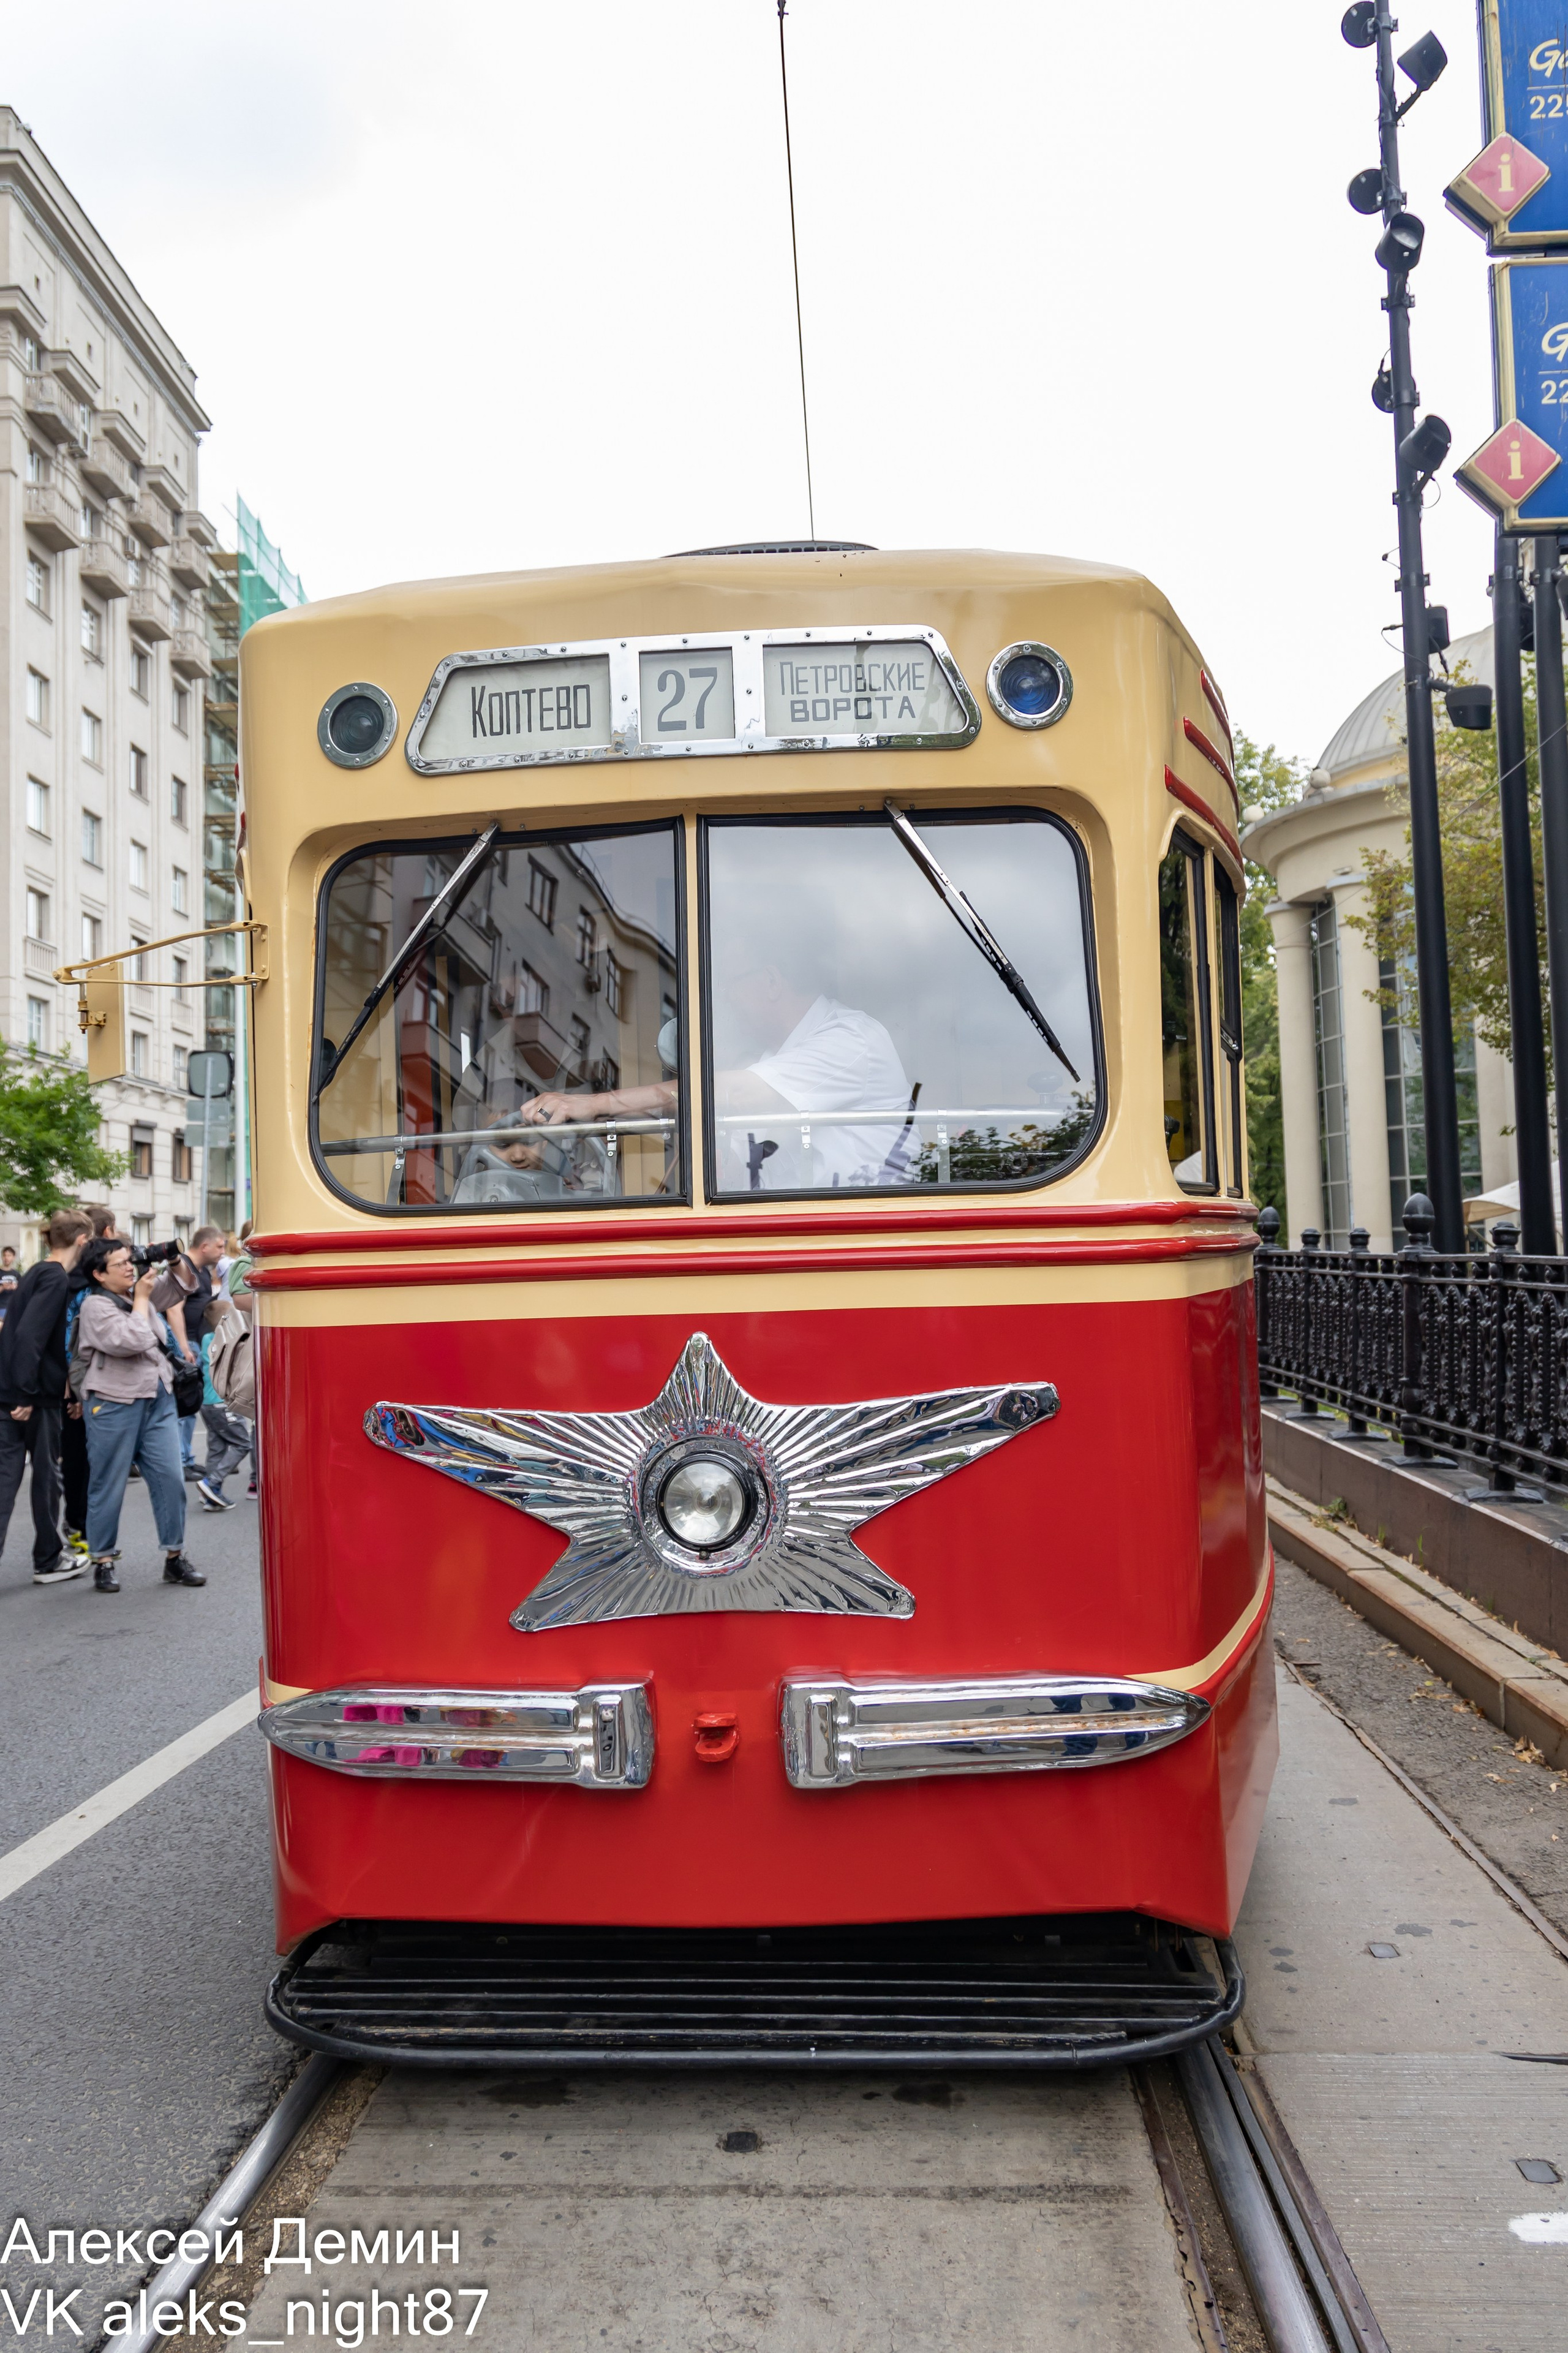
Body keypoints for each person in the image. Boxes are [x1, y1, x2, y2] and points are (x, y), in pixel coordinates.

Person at [518, 915, 910, 1190]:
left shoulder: (851, 1040)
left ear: (771, 981)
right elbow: (722, 1144)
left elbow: (735, 1093)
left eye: (728, 987)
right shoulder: (769, 1061)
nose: (722, 1002)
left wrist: (590, 1104)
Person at [77, 1237, 204, 1593]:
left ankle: (175, 1558)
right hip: (113, 1401)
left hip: (158, 1397)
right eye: (120, 1264)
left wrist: (174, 1259)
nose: (130, 1267)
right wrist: (144, 1299)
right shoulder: (95, 1308)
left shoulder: (137, 1294)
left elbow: (184, 1285)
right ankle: (103, 1560)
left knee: (171, 1479)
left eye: (129, 1260)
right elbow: (132, 1340)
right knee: (108, 1482)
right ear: (99, 1275)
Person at [0, 1209, 90, 1582]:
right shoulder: (55, 1278)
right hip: (33, 1395)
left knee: (6, 1479)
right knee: (45, 1479)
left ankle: (48, 1556)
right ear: (82, 1241)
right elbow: (30, 1337)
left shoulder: (38, 1270)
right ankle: (48, 1559)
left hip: (14, 1390)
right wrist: (26, 1392)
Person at [61, 1206, 120, 1563]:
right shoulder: (81, 1285)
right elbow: (72, 1340)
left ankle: (84, 1529)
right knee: (83, 1462)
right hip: (82, 1388)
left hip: (78, 1385)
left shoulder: (67, 1276)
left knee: (82, 1461)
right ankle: (81, 1530)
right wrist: (77, 1390)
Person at [153, 1227, 225, 1479]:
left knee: (191, 1406)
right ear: (204, 1246)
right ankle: (180, 1461)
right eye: (220, 1246)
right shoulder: (184, 1267)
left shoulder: (203, 1271)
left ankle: (187, 1458)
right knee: (183, 1407)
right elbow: (173, 1309)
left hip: (193, 1342)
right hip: (186, 1346)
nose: (223, 1251)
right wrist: (183, 1347)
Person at [0, 1244, 19, 1323]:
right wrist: (3, 1287)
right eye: (5, 1256)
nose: (7, 1258)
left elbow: (22, 1292)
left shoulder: (17, 1274)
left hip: (13, 1308)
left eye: (9, 1255)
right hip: (1, 1307)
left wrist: (16, 1288)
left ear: (13, 1257)